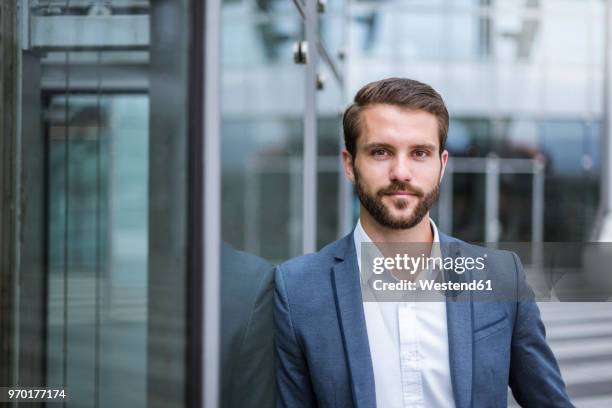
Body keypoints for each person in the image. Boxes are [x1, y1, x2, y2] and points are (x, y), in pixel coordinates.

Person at [274, 78, 573, 407]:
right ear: (349, 164)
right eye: (381, 152)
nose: (401, 172)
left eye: (419, 153)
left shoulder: (502, 277)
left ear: (441, 165)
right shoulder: (297, 290)